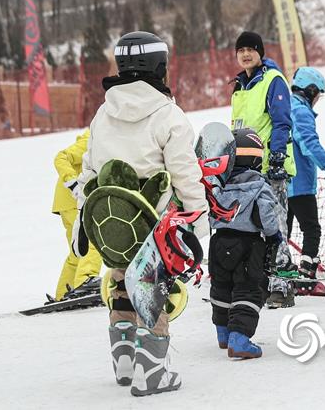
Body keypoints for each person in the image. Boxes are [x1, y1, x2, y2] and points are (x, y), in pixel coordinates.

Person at [74, 31, 208, 396]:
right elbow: (186, 174)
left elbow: (89, 168)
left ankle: (124, 359)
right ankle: (151, 371)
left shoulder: (103, 112)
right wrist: (199, 221)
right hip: (152, 226)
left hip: (110, 224)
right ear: (160, 66)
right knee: (151, 289)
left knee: (120, 281)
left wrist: (83, 218)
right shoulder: (168, 115)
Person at [230, 31, 296, 308]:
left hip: (270, 166)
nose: (246, 54)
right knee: (252, 228)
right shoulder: (239, 86)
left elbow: (282, 121)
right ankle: (260, 281)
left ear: (260, 52)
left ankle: (282, 285)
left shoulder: (272, 80)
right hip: (245, 168)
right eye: (241, 50)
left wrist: (278, 157)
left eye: (251, 49)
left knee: (276, 225)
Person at [209, 128, 279, 359]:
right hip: (249, 247)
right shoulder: (260, 186)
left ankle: (223, 333)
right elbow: (268, 219)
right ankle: (239, 338)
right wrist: (273, 236)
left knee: (222, 286)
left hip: (218, 242)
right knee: (248, 290)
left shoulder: (217, 184)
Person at [285, 67, 325, 294]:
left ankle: (277, 271)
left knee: (282, 229)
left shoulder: (281, 106)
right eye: (318, 94)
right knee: (311, 229)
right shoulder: (300, 111)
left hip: (280, 181)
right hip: (298, 183)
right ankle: (306, 274)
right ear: (310, 90)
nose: (317, 99)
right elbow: (309, 144)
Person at [51, 129, 102, 301]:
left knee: (77, 250)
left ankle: (64, 293)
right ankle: (85, 280)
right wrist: (73, 183)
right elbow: (61, 157)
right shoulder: (91, 140)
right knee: (93, 239)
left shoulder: (101, 141)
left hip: (67, 203)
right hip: (74, 201)